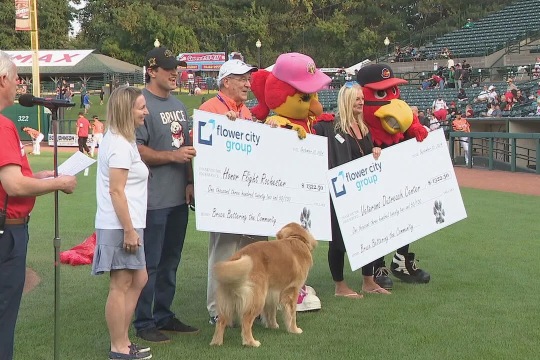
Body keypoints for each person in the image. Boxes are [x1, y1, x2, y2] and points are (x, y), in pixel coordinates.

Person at [0, 50, 77, 360]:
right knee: (4, 316)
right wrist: (56, 183)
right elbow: (14, 184)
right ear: (2, 79)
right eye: (17, 77)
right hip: (7, 232)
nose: (20, 84)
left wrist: (40, 175)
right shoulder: (3, 126)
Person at [134, 46, 198, 343]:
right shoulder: (140, 103)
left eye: (177, 67)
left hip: (177, 198)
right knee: (151, 262)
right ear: (152, 70)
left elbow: (186, 146)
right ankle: (144, 321)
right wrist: (172, 157)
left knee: (171, 259)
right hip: (152, 198)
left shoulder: (179, 105)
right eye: (168, 68)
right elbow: (137, 149)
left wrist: (189, 181)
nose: (175, 73)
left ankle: (163, 314)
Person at [199, 59, 267, 325]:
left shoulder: (246, 112)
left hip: (247, 195)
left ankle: (248, 307)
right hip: (223, 195)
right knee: (224, 252)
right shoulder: (210, 109)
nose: (247, 84)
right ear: (226, 81)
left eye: (248, 80)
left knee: (252, 251)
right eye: (242, 79)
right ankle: (218, 310)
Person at [314, 82, 390, 297]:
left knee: (369, 235)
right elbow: (306, 134)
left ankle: (368, 281)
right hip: (340, 193)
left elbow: (367, 154)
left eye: (362, 98)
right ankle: (340, 286)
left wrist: (375, 149)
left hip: (364, 192)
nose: (361, 101)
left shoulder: (364, 128)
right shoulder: (329, 126)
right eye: (356, 98)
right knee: (338, 240)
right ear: (346, 100)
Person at [92, 86, 151, 360]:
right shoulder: (117, 144)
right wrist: (128, 229)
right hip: (119, 225)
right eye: (141, 107)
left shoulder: (123, 141)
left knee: (139, 278)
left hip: (128, 222)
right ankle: (119, 346)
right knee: (121, 284)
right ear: (127, 110)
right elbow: (116, 191)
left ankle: (123, 341)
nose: (145, 112)